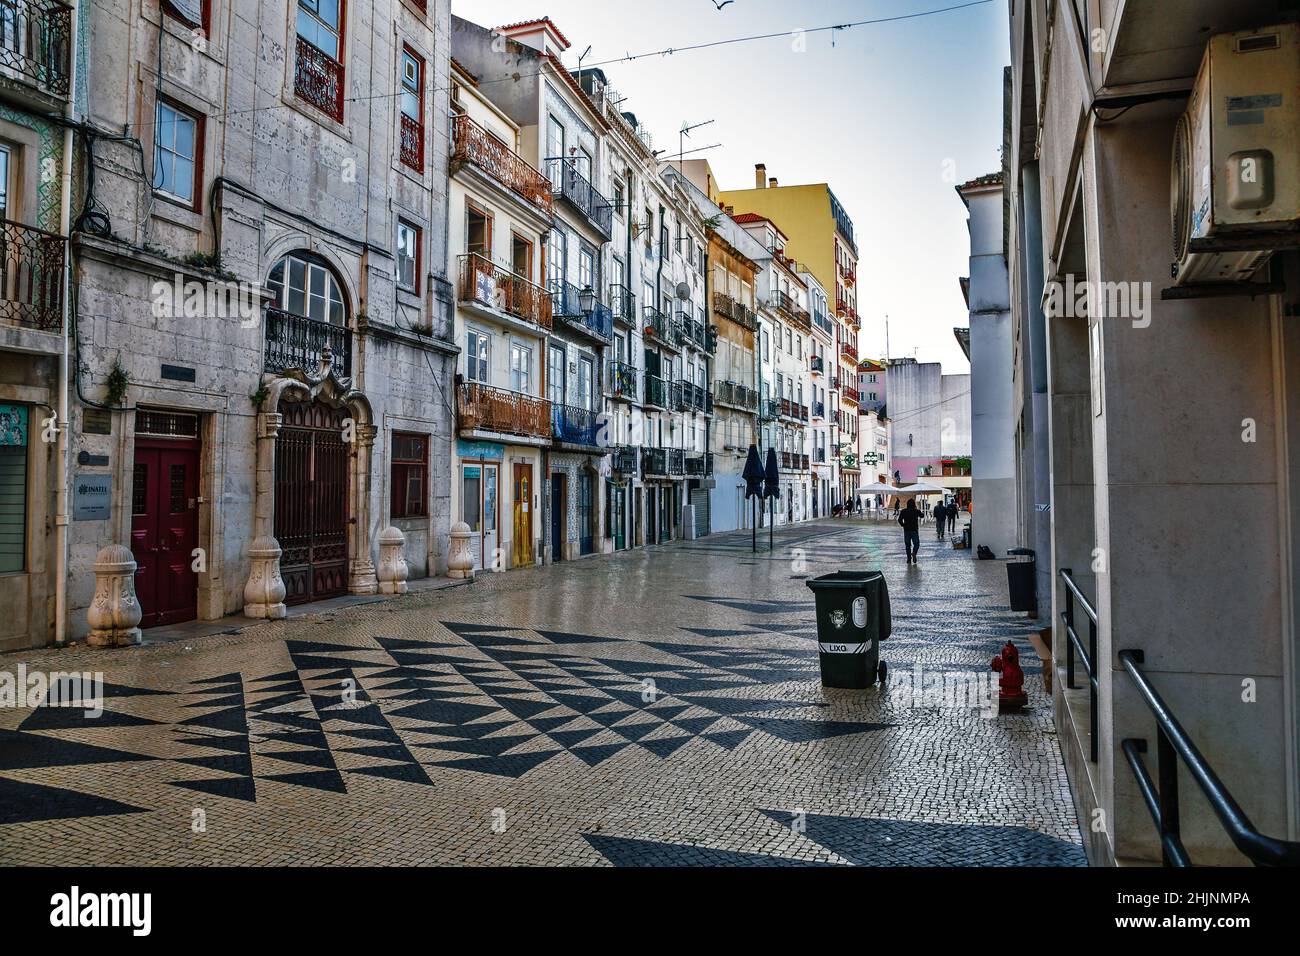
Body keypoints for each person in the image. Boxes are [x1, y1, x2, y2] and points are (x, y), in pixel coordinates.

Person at [898, 497, 921, 564]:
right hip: (914, 530)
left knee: (907, 545)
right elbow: (922, 515)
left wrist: (903, 525)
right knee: (916, 544)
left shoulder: (903, 511)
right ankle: (914, 553)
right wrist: (917, 509)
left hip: (906, 530)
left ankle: (908, 559)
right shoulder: (916, 511)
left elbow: (899, 520)